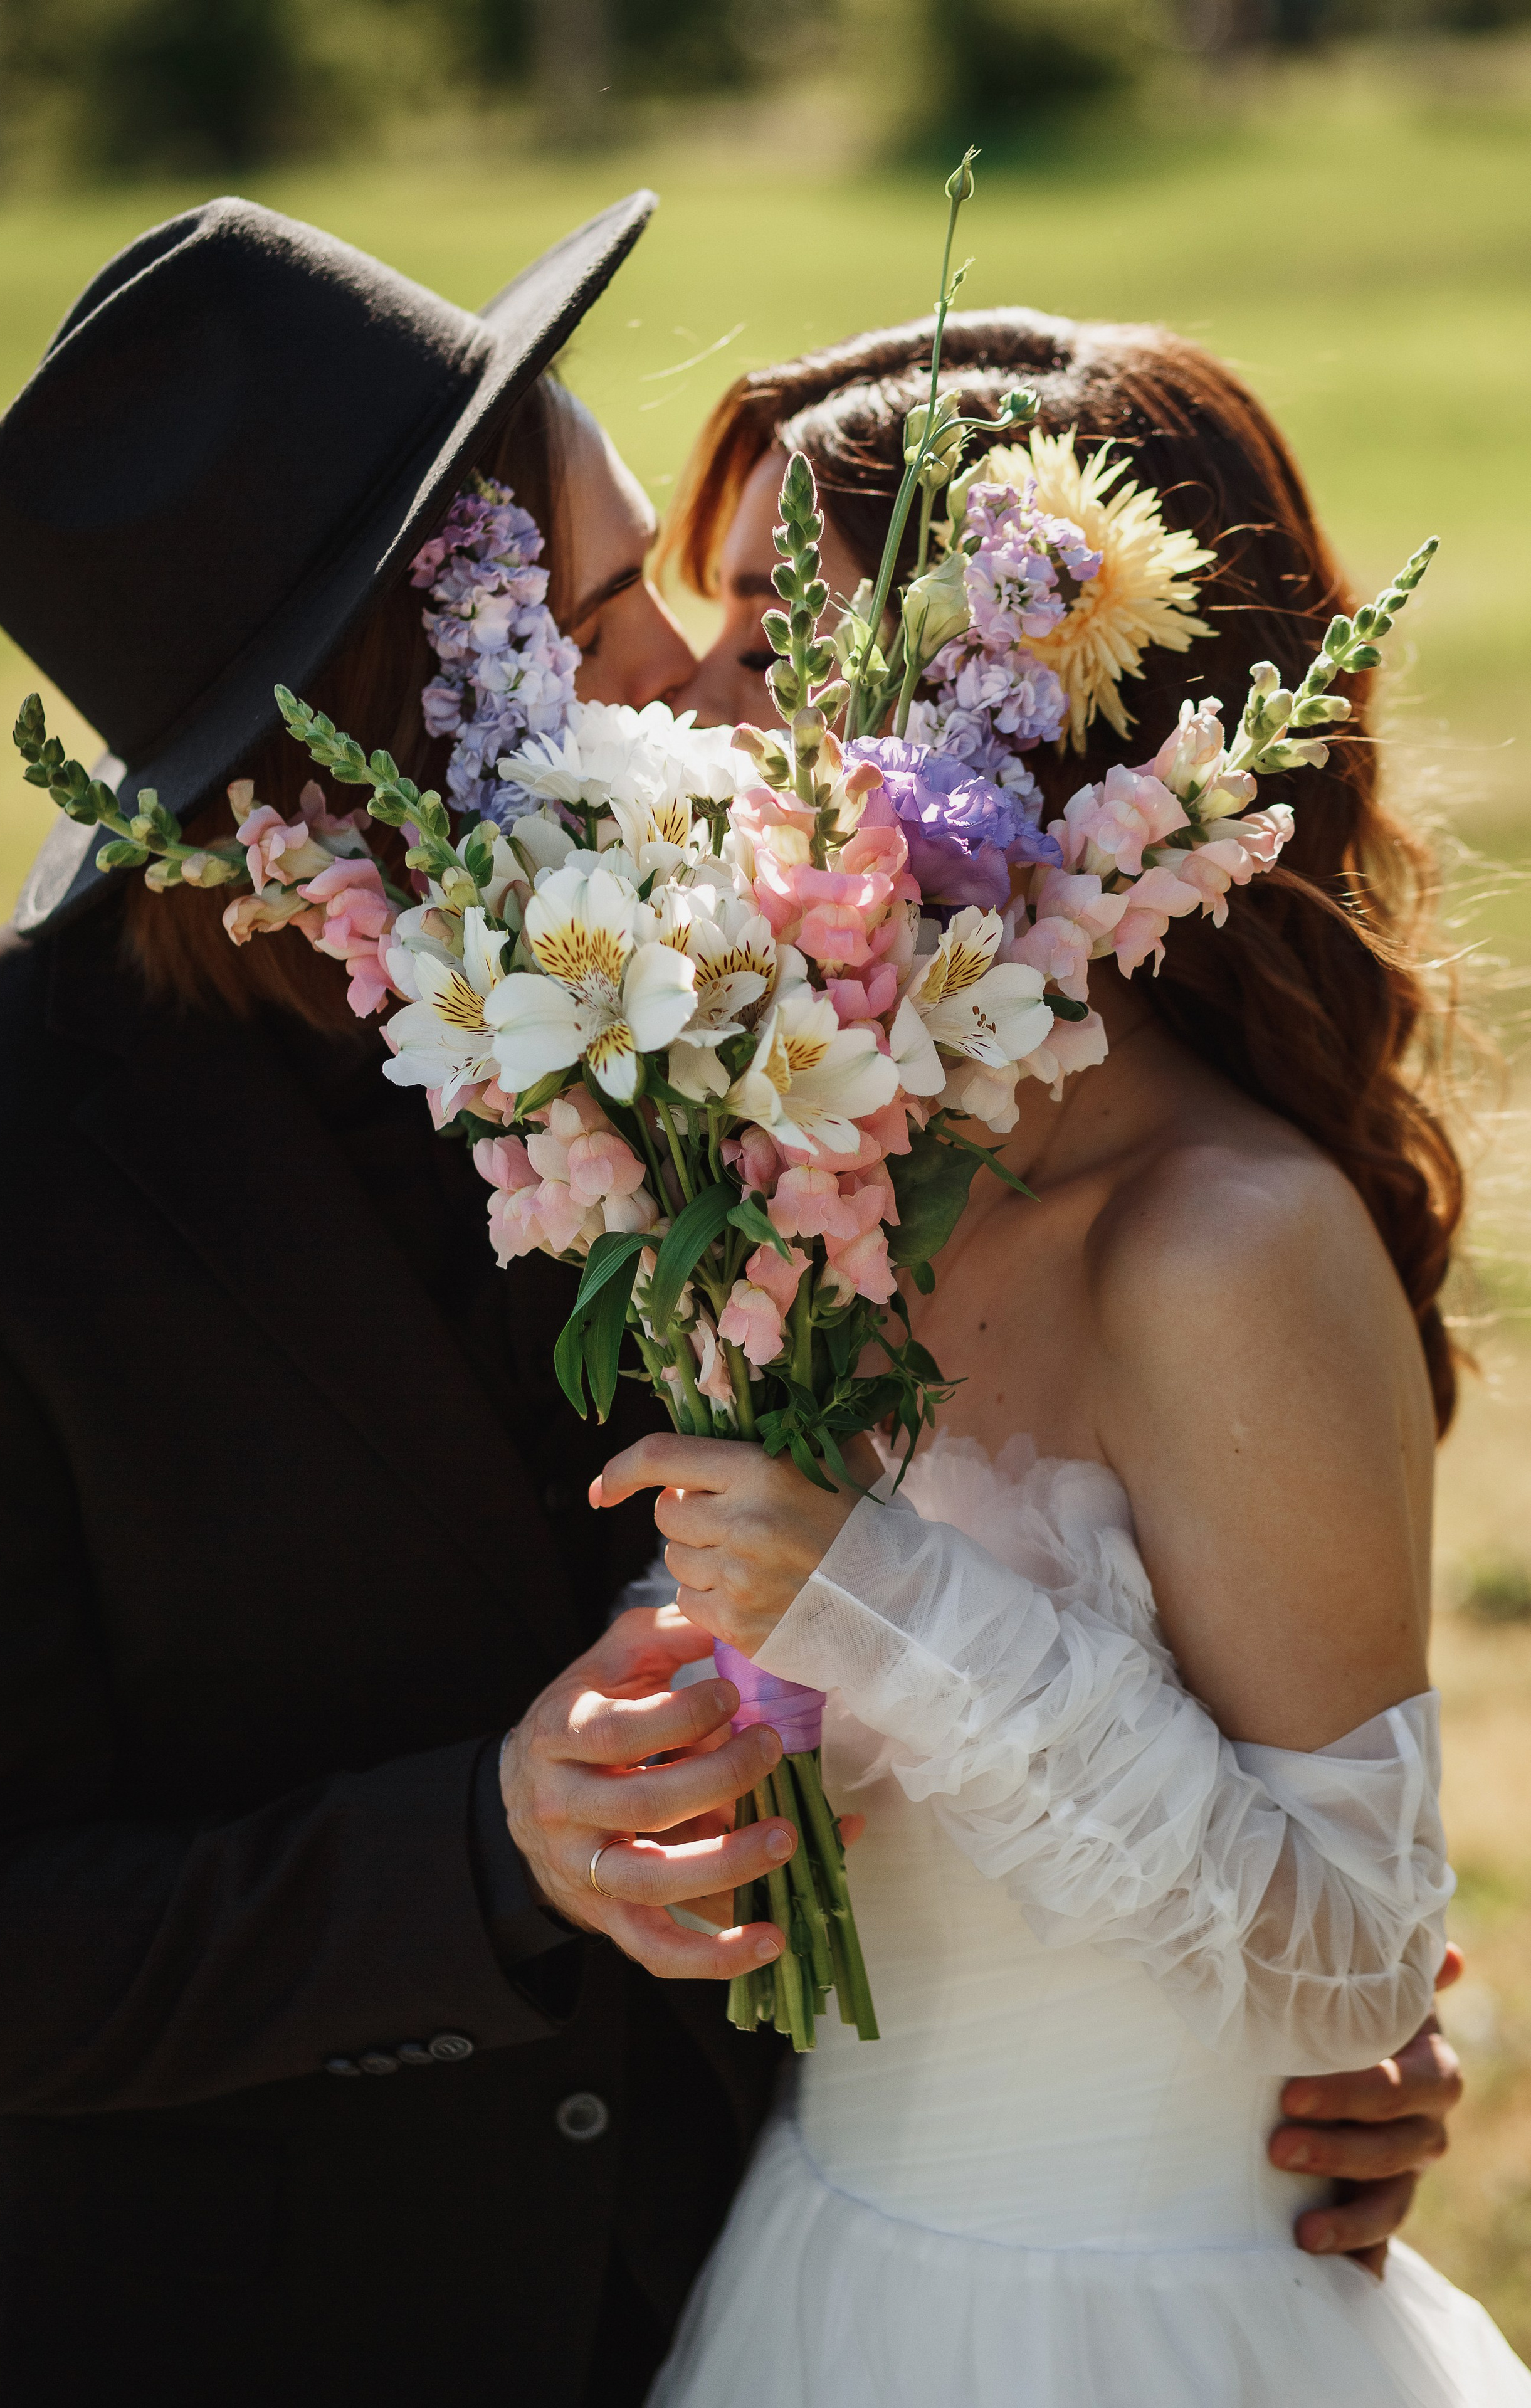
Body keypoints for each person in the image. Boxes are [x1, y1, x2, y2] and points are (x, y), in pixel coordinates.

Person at [581, 310, 1528, 2404]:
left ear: (987, 711)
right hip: (821, 2271)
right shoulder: (795, 1160)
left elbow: (1356, 1958)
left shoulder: (1226, 1242)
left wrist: (875, 1605)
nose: (691, 702)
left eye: (769, 637)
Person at [0, 189, 796, 2408]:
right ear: (420, 698)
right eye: (610, 609)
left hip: (777, 2292)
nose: (693, 667)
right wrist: (480, 1852)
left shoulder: (729, 997)